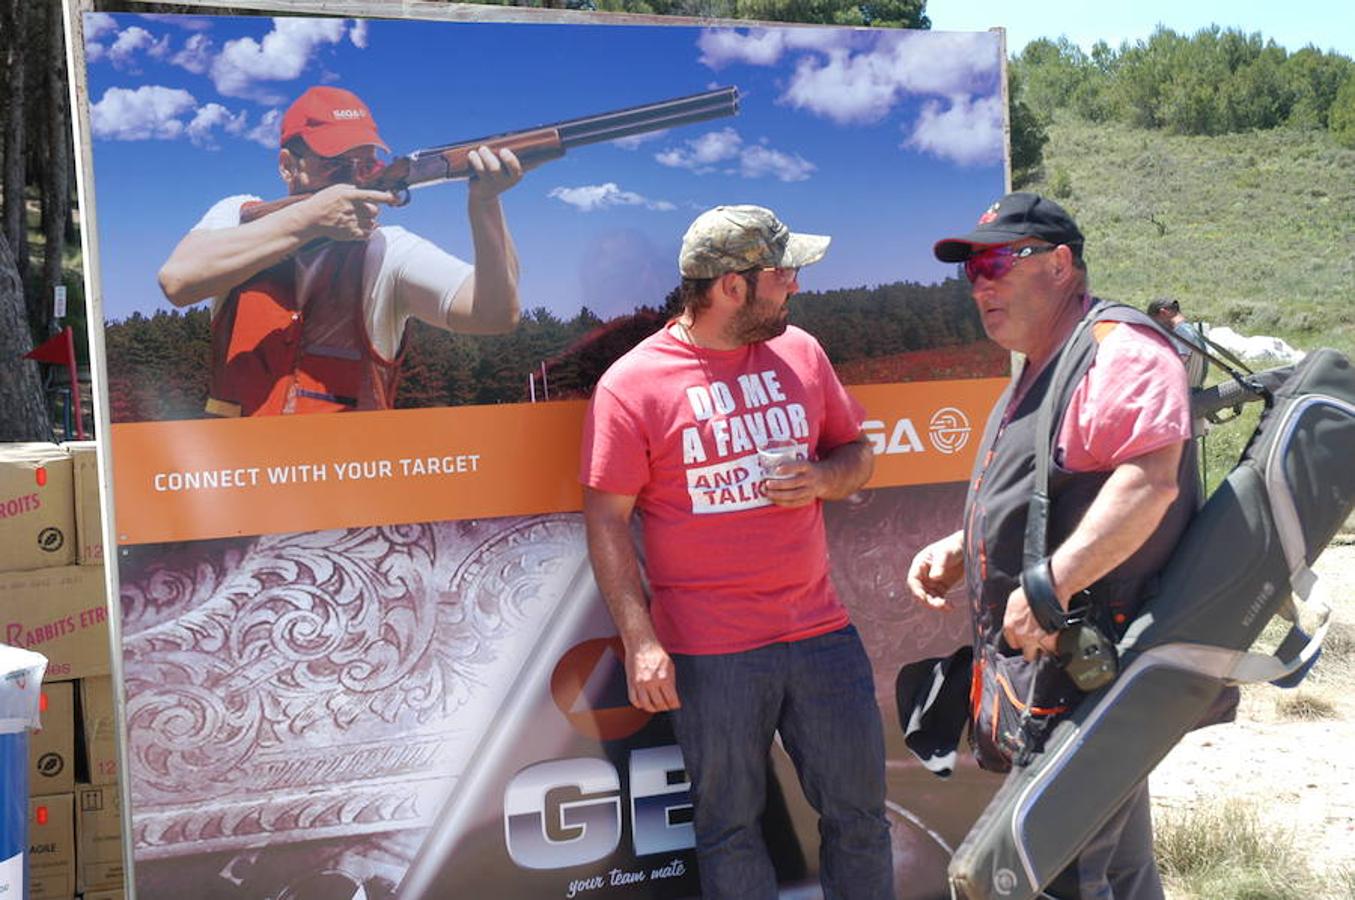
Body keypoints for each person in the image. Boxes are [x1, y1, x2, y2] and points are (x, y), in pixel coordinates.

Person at [580, 205, 893, 899]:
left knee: (860, 818)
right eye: (784, 274)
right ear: (730, 286)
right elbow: (605, 519)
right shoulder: (632, 386)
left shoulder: (802, 353)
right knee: (729, 830)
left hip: (820, 635)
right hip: (709, 652)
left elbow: (857, 454)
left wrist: (821, 478)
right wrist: (640, 642)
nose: (795, 288)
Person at [907, 193, 1198, 898]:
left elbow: (1147, 484)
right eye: (971, 270)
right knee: (1112, 870)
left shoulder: (1116, 350)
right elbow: (1062, 488)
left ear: (1061, 264)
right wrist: (965, 540)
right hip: (1061, 685)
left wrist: (1045, 588)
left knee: (1060, 869)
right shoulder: (1050, 358)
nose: (981, 283)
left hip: (1084, 682)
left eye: (1000, 261)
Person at [157, 85, 525, 417]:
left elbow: (493, 315)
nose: (353, 179)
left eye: (366, 165)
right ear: (288, 166)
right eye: (335, 165)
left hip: (349, 477)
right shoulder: (237, 215)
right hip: (239, 476)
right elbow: (178, 281)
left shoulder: (389, 249)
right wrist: (310, 221)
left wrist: (486, 202)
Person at [1147, 297, 1207, 388]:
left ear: (1163, 312)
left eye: (1156, 321)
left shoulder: (1182, 332)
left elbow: (1175, 365)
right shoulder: (1187, 329)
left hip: (1186, 392)